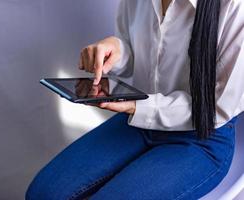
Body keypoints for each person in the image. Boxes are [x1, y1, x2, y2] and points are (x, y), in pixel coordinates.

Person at [26, 0, 244, 199]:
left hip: (201, 136)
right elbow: (137, 51)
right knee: (42, 193)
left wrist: (136, 106)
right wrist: (116, 49)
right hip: (138, 122)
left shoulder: (235, 7)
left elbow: (218, 108)